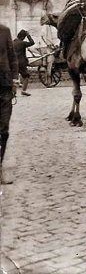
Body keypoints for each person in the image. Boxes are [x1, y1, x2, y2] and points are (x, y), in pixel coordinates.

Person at [0, 23, 18, 184]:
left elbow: (12, 56)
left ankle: (0, 167)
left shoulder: (4, 30)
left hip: (4, 86)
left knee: (4, 129)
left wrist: (15, 78)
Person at [13, 29, 35, 96]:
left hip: (13, 63)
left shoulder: (12, 42)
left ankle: (13, 92)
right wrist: (28, 35)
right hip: (21, 63)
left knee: (14, 78)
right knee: (26, 76)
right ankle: (23, 91)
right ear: (23, 37)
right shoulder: (22, 43)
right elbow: (32, 42)